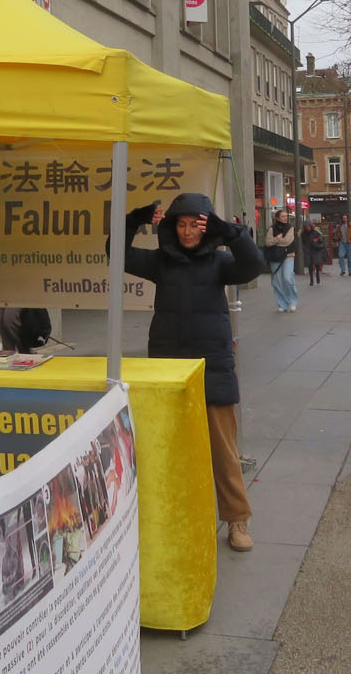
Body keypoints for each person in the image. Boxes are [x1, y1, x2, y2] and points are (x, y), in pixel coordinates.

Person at [113, 192, 265, 551]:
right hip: (169, 368)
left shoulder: (220, 262)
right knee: (168, 449)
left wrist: (230, 232)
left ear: (205, 227)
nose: (186, 232)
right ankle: (173, 516)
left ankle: (237, 519)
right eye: (180, 225)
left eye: (194, 225)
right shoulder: (161, 262)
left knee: (224, 452)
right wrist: (135, 220)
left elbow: (253, 265)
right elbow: (117, 254)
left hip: (212, 368)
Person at [263, 209, 298, 312]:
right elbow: (267, 242)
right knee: (277, 281)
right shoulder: (271, 228)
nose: (285, 218)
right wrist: (278, 239)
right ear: (277, 218)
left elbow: (287, 241)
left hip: (288, 255)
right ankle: (282, 304)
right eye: (283, 216)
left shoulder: (290, 228)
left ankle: (292, 301)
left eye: (286, 216)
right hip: (275, 256)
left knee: (287, 278)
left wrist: (275, 240)